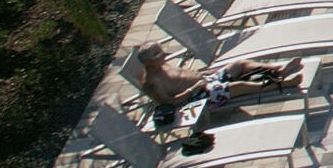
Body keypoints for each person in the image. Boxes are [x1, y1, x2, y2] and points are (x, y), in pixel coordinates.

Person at [128, 46, 303, 122]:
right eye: (160, 55)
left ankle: (278, 70)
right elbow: (169, 103)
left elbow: (183, 75)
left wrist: (205, 74)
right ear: (150, 62)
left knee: (239, 64)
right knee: (236, 87)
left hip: (206, 80)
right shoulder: (151, 83)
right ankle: (285, 84)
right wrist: (193, 88)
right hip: (196, 98)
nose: (165, 56)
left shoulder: (161, 65)